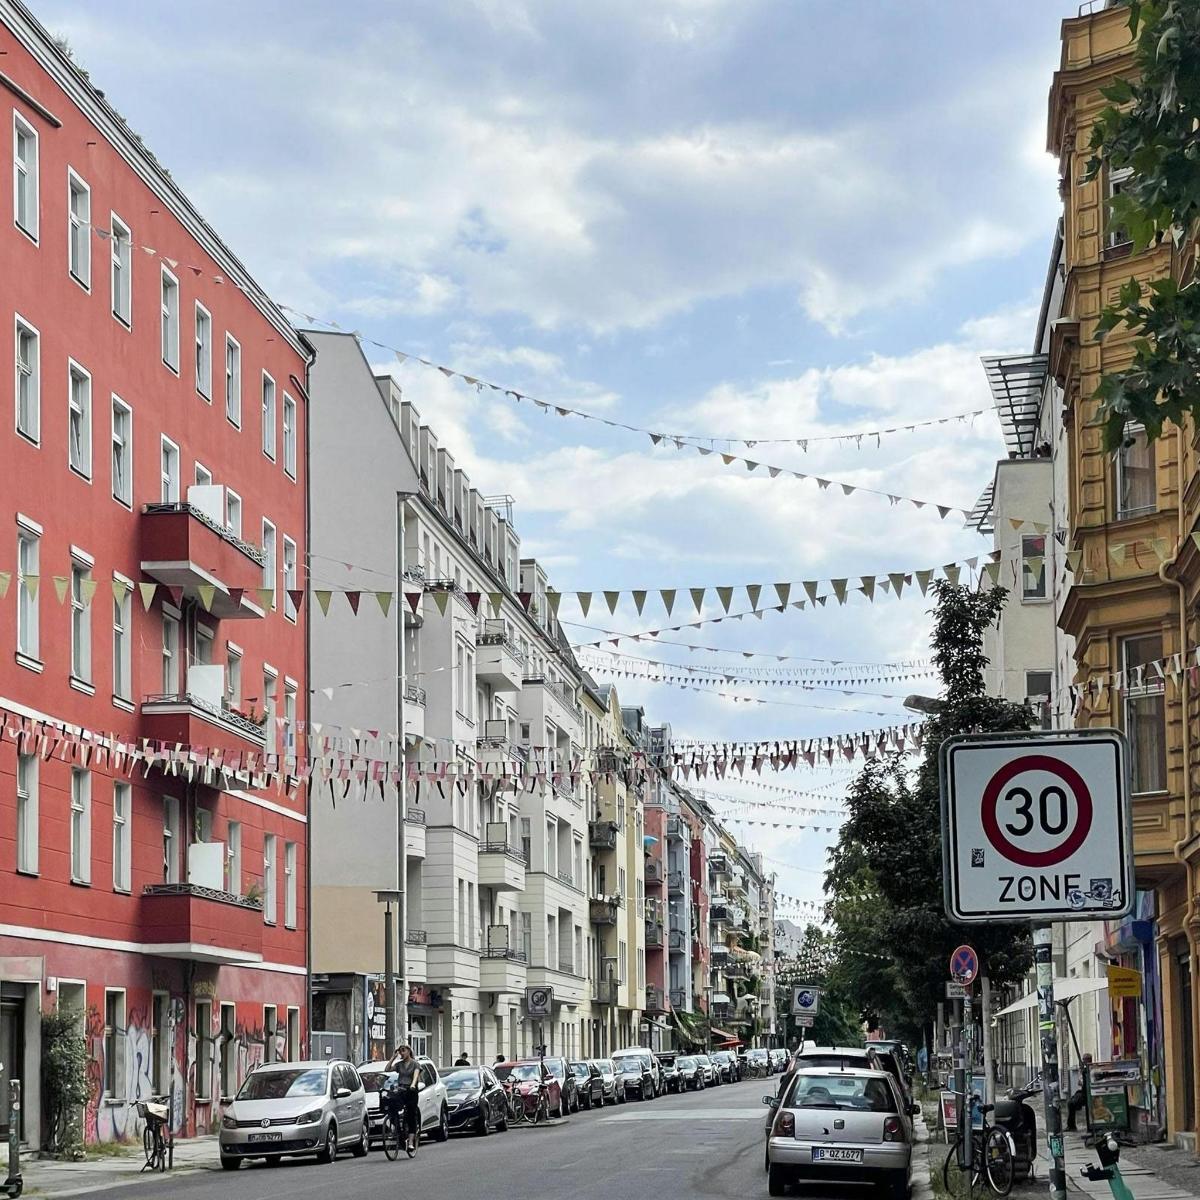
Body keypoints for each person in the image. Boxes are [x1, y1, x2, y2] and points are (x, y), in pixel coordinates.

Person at [386, 1044, 421, 1154]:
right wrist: (393, 1057)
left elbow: (416, 1075)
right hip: (401, 1090)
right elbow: (387, 1069)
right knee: (391, 1106)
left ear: (409, 1051)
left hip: (411, 1091)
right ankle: (397, 1129)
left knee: (411, 1114)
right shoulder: (399, 1064)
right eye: (400, 1051)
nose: (401, 1053)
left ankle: (410, 1142)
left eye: (403, 1050)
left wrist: (413, 1085)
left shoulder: (415, 1064)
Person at [1067, 1054, 1093, 1132]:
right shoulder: (1083, 1069)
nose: (1083, 1061)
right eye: (1083, 1059)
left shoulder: (1090, 1069)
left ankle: (1072, 1126)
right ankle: (1071, 1125)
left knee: (1072, 1103)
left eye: (1085, 1060)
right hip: (1082, 1091)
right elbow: (1080, 1083)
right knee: (1071, 1102)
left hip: (1088, 1092)